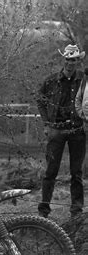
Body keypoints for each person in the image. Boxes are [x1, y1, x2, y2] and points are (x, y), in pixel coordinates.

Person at [36, 44, 86, 220]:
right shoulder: (51, 81)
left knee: (76, 172)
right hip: (56, 129)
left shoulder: (84, 80)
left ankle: (76, 211)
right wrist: (46, 123)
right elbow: (40, 99)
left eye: (74, 60)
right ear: (63, 60)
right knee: (51, 171)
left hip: (77, 129)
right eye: (68, 59)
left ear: (78, 61)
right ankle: (44, 210)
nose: (70, 63)